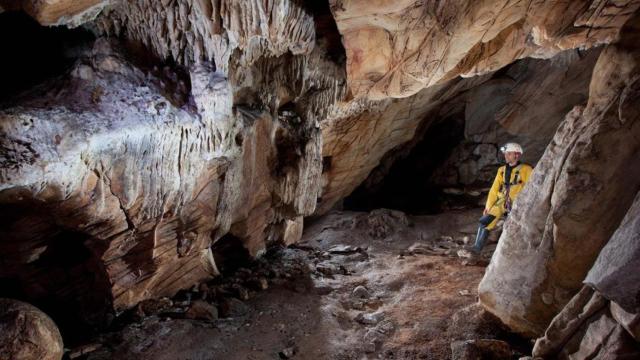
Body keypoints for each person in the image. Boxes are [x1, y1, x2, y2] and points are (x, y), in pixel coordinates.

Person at [471, 142, 533, 254]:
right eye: (506, 153)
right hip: (502, 201)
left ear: (517, 155)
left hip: (518, 203)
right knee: (484, 222)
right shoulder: (502, 170)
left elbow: (533, 188)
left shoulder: (526, 170)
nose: (506, 156)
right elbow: (494, 189)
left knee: (514, 229)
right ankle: (476, 249)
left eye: (509, 154)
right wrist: (488, 206)